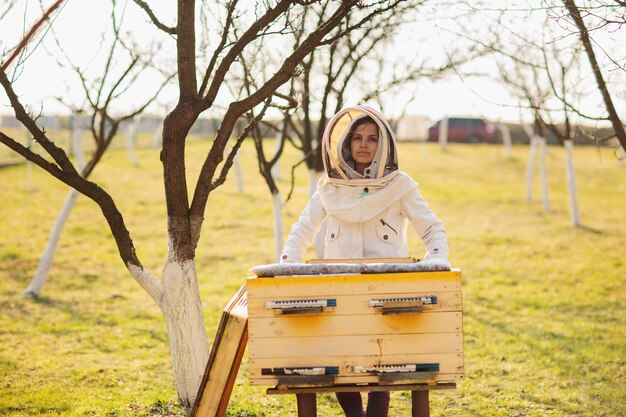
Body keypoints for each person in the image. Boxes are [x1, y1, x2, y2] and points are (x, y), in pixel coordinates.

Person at [280, 105, 449, 417]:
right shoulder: (330, 187)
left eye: (372, 139)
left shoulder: (401, 185)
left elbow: (431, 228)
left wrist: (436, 261)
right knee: (343, 362)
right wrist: (288, 262)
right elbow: (303, 228)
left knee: (381, 365)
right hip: (340, 288)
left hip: (385, 288)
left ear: (383, 144)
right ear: (345, 142)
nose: (363, 144)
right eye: (357, 137)